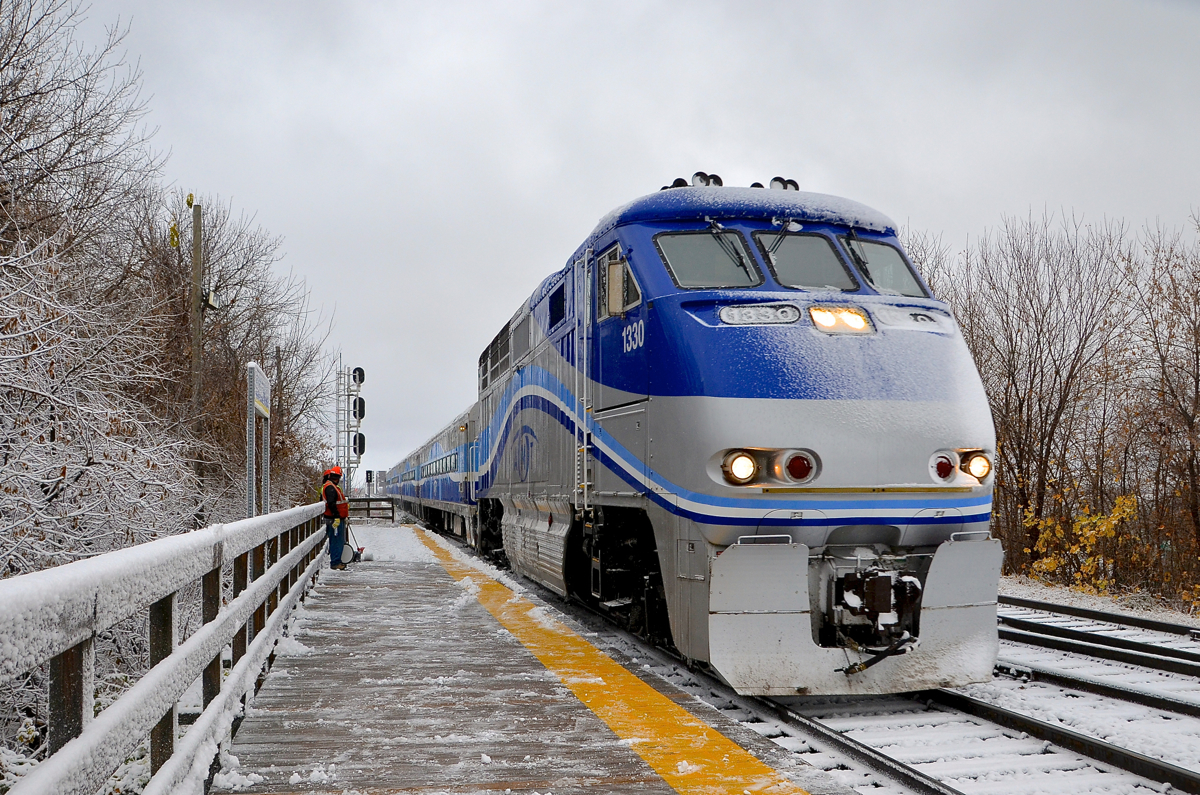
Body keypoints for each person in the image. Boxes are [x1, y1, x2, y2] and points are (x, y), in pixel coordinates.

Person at [322, 466, 350, 570]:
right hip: (334, 520)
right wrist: (337, 517)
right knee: (336, 541)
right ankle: (335, 562)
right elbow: (331, 504)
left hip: (335, 518)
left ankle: (337, 561)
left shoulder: (331, 486)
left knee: (337, 541)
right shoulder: (331, 488)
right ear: (338, 477)